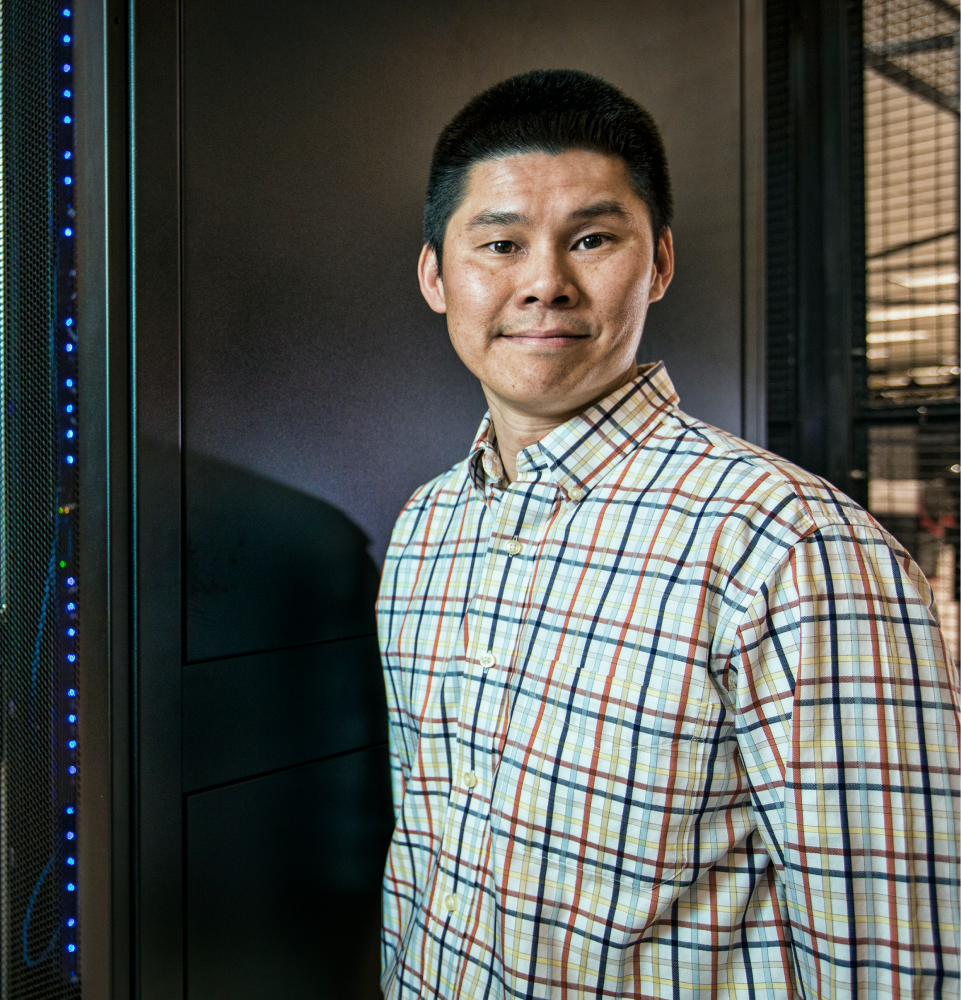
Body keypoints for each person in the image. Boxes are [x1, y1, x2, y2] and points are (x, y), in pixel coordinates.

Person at [376, 69, 961, 998]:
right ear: (435, 277)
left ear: (657, 264)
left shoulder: (787, 546)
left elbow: (889, 956)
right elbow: (424, 860)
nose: (544, 285)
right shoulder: (426, 530)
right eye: (499, 243)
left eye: (593, 239)